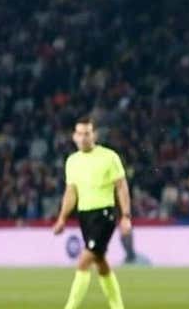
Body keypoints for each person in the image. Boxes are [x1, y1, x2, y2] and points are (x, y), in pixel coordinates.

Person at [52, 118, 131, 309]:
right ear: (74, 136)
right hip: (84, 216)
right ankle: (118, 306)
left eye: (87, 133)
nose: (83, 138)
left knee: (84, 261)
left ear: (94, 135)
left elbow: (121, 186)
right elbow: (71, 192)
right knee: (100, 261)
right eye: (80, 133)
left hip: (104, 214)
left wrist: (126, 216)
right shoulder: (72, 161)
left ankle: (70, 307)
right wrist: (62, 218)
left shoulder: (109, 157)